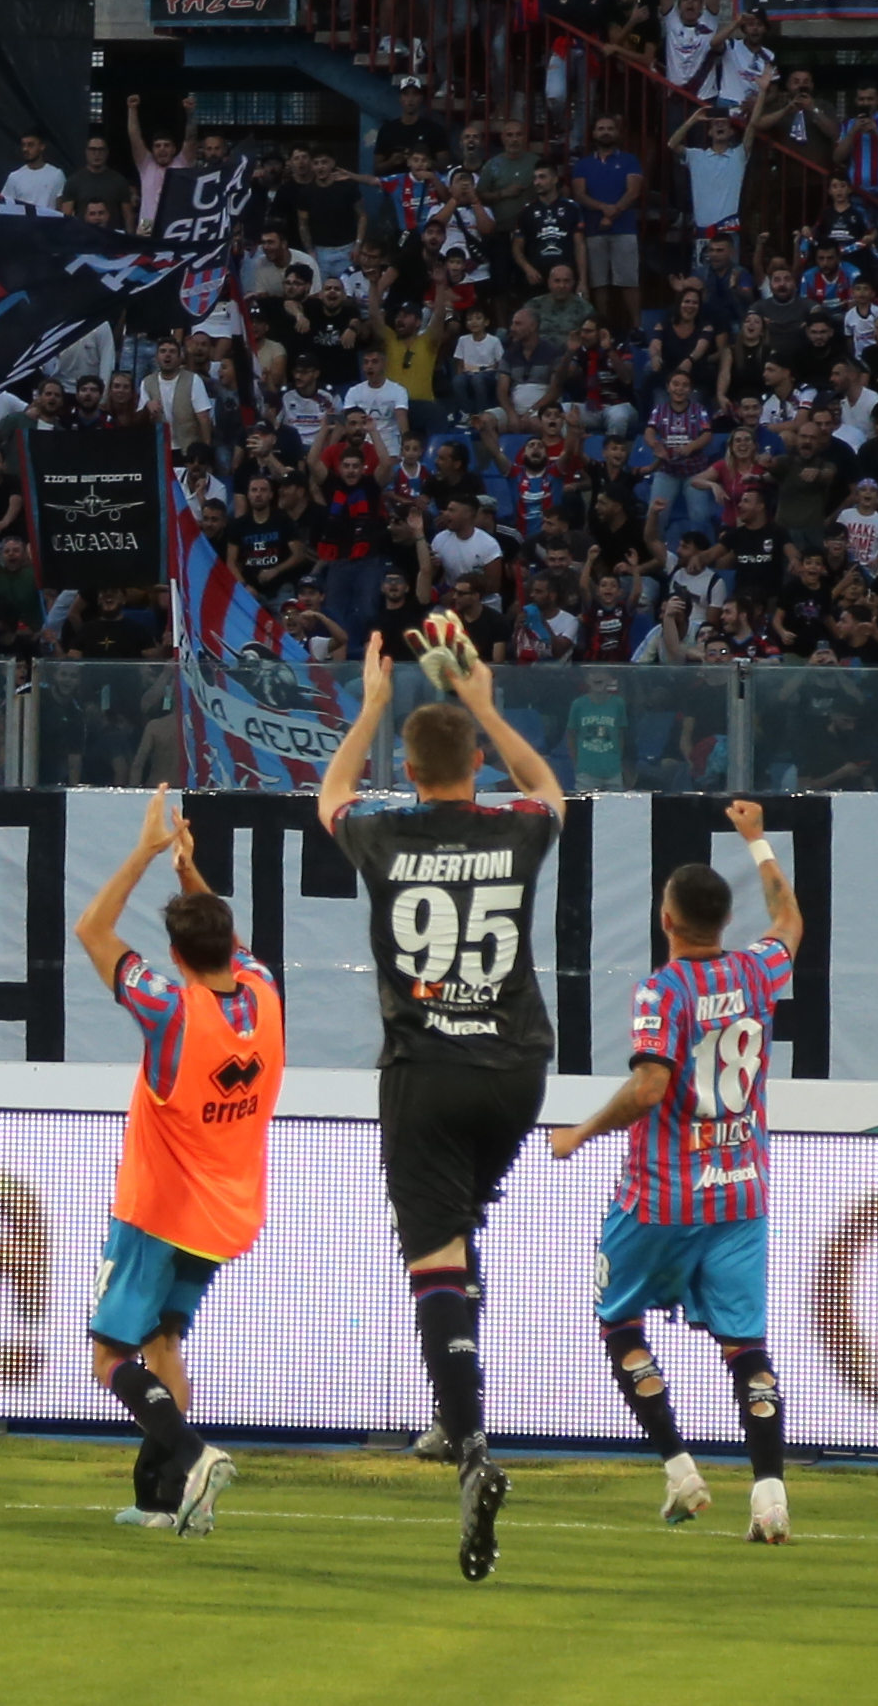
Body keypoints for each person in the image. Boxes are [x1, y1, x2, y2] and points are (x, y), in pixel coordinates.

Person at [313, 614, 566, 1580]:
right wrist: (485, 705)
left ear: (409, 772)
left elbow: (331, 792)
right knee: (463, 1231)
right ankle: (445, 1417)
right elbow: (549, 787)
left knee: (435, 1257)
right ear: (472, 766)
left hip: (423, 1071)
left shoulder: (381, 833)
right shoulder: (516, 829)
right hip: (515, 1071)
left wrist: (372, 705)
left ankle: (468, 1444)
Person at [547, 798, 804, 1544]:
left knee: (618, 1322)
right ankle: (769, 1494)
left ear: (666, 920)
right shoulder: (759, 971)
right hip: (740, 1192)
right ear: (723, 922)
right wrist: (756, 841)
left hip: (659, 1196)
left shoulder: (663, 991)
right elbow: (788, 921)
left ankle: (679, 1470)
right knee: (745, 1346)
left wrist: (582, 1133)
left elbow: (652, 1086)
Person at [75, 787, 280, 1538]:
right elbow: (222, 937)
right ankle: (169, 1506)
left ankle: (192, 1455)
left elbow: (91, 929)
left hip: (158, 1210)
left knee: (109, 1355)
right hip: (226, 1213)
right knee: (164, 1343)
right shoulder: (263, 994)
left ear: (173, 957)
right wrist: (192, 874)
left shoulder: (168, 1006)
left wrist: (147, 852)